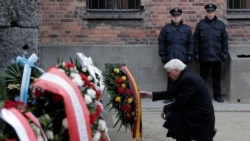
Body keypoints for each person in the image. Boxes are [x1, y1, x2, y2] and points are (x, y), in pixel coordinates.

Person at [140, 59, 216, 141]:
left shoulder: (188, 79)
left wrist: (165, 109)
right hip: (194, 112)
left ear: (176, 70)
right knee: (175, 118)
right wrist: (148, 94)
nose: (168, 76)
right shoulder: (185, 75)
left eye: (169, 73)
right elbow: (170, 93)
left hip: (201, 116)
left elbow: (179, 104)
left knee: (174, 116)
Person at [194, 3, 229, 103]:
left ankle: (217, 95)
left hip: (217, 56)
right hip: (204, 56)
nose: (210, 14)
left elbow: (224, 40)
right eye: (208, 12)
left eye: (212, 12)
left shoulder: (220, 25)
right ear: (206, 12)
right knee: (202, 78)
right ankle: (202, 97)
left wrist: (225, 52)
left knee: (216, 78)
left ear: (215, 12)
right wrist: (196, 53)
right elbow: (196, 40)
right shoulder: (200, 25)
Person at [158, 7, 194, 103]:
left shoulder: (186, 29)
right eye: (174, 16)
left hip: (182, 56)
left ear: (181, 16)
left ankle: (180, 96)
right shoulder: (166, 29)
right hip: (170, 56)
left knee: (182, 77)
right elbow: (161, 41)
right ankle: (170, 96)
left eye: (178, 16)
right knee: (170, 77)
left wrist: (190, 54)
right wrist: (162, 54)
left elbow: (191, 42)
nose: (176, 17)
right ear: (171, 16)